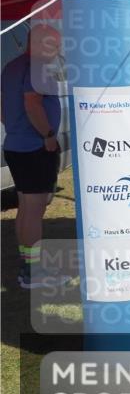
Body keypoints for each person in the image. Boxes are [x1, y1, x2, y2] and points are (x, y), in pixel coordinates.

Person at [1, 24, 64, 289]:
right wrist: (47, 134)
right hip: (35, 147)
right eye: (55, 44)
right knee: (34, 209)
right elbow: (32, 102)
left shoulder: (12, 66)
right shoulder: (36, 67)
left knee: (27, 207)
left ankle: (27, 267)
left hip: (16, 145)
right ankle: (33, 272)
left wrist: (14, 125)